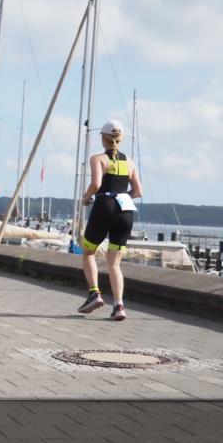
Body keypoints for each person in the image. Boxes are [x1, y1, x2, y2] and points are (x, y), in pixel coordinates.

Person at [77, 120, 143, 321]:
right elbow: (138, 191)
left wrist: (86, 198)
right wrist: (121, 196)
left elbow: (96, 184)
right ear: (121, 139)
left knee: (88, 252)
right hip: (125, 211)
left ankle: (94, 293)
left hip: (104, 207)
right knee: (114, 264)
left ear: (103, 139)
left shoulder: (98, 159)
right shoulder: (130, 162)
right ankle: (119, 306)